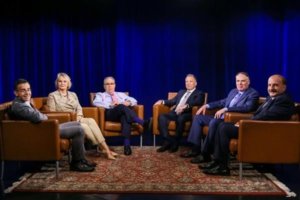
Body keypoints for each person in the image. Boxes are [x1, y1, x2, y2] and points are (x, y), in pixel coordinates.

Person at [202, 74, 295, 176]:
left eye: (275, 85)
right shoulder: (270, 98)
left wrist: (245, 123)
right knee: (220, 124)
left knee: (224, 128)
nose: (271, 88)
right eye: (269, 85)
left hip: (261, 130)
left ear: (284, 87)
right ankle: (217, 162)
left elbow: (267, 116)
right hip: (254, 126)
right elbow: (259, 114)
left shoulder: (284, 100)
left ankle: (222, 167)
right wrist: (244, 121)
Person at [9, 79, 95, 172]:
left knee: (77, 124)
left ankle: (82, 159)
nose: (27, 92)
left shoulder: (24, 102)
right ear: (16, 93)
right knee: (79, 130)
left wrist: (42, 116)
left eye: (28, 89)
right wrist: (43, 116)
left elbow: (38, 115)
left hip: (44, 127)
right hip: (42, 131)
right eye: (23, 90)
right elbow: (38, 117)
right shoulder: (19, 106)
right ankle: (77, 163)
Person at [181, 72, 259, 164]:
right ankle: (195, 149)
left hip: (231, 120)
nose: (240, 83)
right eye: (238, 81)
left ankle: (205, 154)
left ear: (248, 82)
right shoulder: (233, 91)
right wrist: (207, 105)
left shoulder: (253, 94)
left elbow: (247, 108)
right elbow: (222, 102)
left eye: (243, 81)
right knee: (198, 118)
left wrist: (226, 109)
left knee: (214, 122)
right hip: (220, 117)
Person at [47, 72, 117, 160]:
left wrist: (79, 116)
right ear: (57, 83)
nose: (62, 83)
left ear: (68, 83)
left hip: (77, 118)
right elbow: (52, 114)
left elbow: (79, 107)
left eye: (65, 81)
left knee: (91, 120)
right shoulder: (52, 95)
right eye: (60, 81)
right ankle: (106, 150)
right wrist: (71, 118)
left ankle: (104, 148)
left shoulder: (73, 94)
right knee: (84, 126)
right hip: (65, 122)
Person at [92, 76, 148, 156]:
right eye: (107, 84)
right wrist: (111, 104)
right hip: (110, 114)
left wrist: (128, 102)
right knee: (121, 107)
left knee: (124, 116)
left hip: (121, 114)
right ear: (104, 86)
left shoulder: (121, 94)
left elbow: (134, 100)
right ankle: (142, 122)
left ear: (115, 85)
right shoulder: (100, 95)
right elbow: (96, 103)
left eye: (112, 84)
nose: (110, 86)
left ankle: (127, 146)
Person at [154, 74, 206, 153]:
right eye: (186, 81)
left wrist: (186, 106)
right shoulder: (181, 92)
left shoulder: (199, 93)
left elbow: (198, 102)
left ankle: (176, 143)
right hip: (176, 112)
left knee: (181, 118)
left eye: (190, 81)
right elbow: (172, 101)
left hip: (188, 114)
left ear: (195, 83)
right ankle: (168, 140)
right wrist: (162, 101)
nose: (188, 83)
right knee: (162, 117)